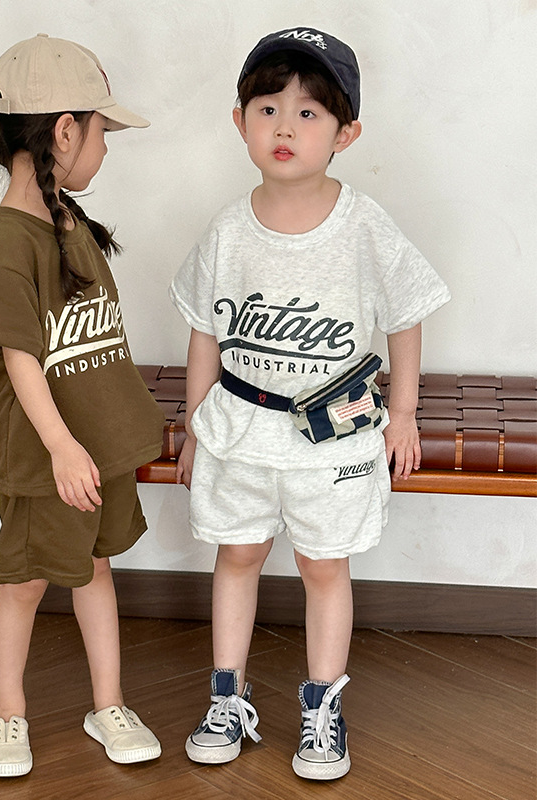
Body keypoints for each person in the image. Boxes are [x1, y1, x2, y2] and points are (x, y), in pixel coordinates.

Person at [170, 27, 450, 781]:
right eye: (267, 109)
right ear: (240, 121)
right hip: (241, 428)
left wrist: (405, 413)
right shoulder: (228, 229)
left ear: (345, 133)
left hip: (335, 439)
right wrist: (196, 428)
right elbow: (204, 333)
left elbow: (406, 316)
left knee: (324, 567)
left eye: (308, 113)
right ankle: (226, 697)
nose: (284, 127)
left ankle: (323, 710)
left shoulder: (363, 225)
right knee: (238, 555)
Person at [0, 34, 165, 777]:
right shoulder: (8, 244)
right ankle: (5, 709)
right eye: (102, 130)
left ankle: (107, 702)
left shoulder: (66, 221)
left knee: (94, 568)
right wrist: (61, 447)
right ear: (66, 131)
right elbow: (19, 356)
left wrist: (95, 441)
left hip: (93, 448)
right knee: (24, 582)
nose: (105, 146)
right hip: (51, 456)